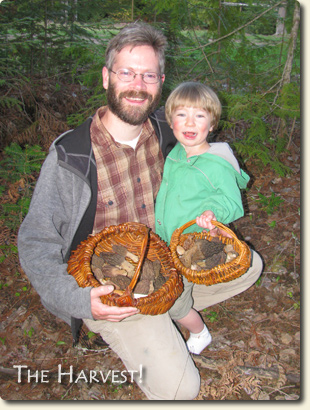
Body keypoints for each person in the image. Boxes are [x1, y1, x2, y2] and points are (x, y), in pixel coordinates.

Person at [18, 23, 263, 400]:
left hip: (168, 262)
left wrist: (215, 208)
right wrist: (81, 301)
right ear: (107, 77)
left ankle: (170, 311)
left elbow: (213, 159)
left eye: (148, 75)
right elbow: (36, 241)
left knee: (250, 265)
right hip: (115, 293)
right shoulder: (72, 155)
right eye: (126, 73)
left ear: (160, 82)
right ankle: (145, 325)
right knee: (181, 390)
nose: (137, 84)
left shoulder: (171, 131)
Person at [155, 81, 251, 355]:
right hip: (167, 240)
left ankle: (199, 332)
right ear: (171, 122)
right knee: (164, 285)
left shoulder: (216, 163)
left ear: (211, 125)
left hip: (191, 248)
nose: (190, 122)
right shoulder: (175, 153)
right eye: (182, 114)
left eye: (199, 116)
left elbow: (233, 203)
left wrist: (214, 212)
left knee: (175, 304)